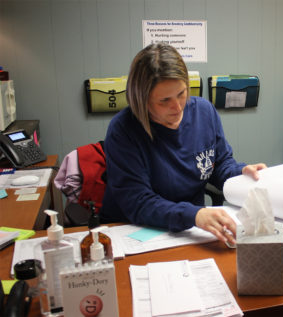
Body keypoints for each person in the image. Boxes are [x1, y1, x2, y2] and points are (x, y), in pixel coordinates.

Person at [100, 43, 266, 245]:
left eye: (181, 93)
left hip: (189, 231)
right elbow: (138, 202)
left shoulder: (204, 112)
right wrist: (194, 215)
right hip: (135, 232)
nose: (177, 107)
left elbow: (220, 165)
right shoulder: (123, 129)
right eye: (164, 101)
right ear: (141, 100)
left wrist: (241, 173)